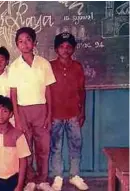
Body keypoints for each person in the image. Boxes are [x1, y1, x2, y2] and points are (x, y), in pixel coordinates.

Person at [8, 27, 56, 191]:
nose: (25, 44)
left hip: (41, 109)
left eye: (28, 40)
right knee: (26, 147)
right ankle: (29, 179)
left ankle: (42, 179)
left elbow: (48, 90)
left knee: (43, 146)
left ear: (35, 42)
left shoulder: (43, 63)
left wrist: (49, 114)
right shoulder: (14, 67)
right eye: (20, 41)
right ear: (17, 45)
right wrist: (16, 116)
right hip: (22, 110)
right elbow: (12, 93)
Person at [50, 32, 89, 191]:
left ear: (73, 49)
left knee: (76, 145)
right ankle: (57, 176)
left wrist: (82, 111)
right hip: (55, 114)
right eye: (61, 47)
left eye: (68, 47)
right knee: (56, 147)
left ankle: (74, 175)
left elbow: (82, 91)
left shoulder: (78, 67)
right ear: (56, 49)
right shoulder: (49, 66)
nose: (65, 50)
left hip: (74, 113)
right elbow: (45, 91)